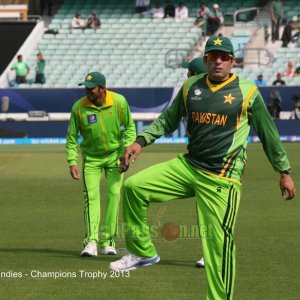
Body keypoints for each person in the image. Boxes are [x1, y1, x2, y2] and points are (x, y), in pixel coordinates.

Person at [109, 36, 296, 300]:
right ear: (206, 59)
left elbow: (269, 135)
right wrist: (140, 142)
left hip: (221, 178)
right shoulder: (191, 87)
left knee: (217, 246)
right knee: (133, 187)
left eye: (223, 56)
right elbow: (167, 120)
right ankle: (143, 252)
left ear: (233, 61)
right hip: (188, 166)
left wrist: (284, 172)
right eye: (213, 56)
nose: (218, 61)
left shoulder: (248, 92)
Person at [66, 72, 136, 257]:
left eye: (92, 88)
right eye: (86, 88)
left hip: (115, 157)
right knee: (91, 198)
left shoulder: (118, 101)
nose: (88, 91)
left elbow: (130, 127)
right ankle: (91, 242)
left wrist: (127, 151)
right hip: (91, 159)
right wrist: (72, 161)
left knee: (114, 196)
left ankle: (108, 241)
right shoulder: (79, 107)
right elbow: (72, 137)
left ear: (102, 88)